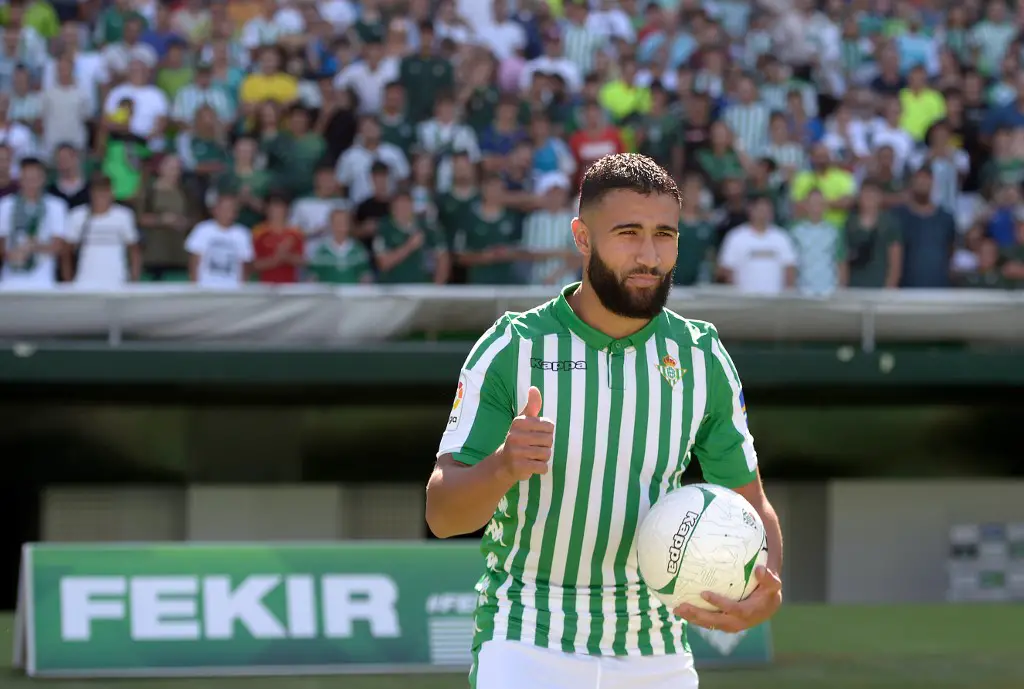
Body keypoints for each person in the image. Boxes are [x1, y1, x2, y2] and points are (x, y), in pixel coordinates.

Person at [425, 153, 783, 689]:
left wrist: (765, 584)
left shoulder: (700, 356)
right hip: (526, 637)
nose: (649, 254)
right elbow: (442, 514)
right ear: (583, 237)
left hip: (657, 646)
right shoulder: (513, 348)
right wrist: (501, 467)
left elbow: (750, 502)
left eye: (665, 234)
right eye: (628, 232)